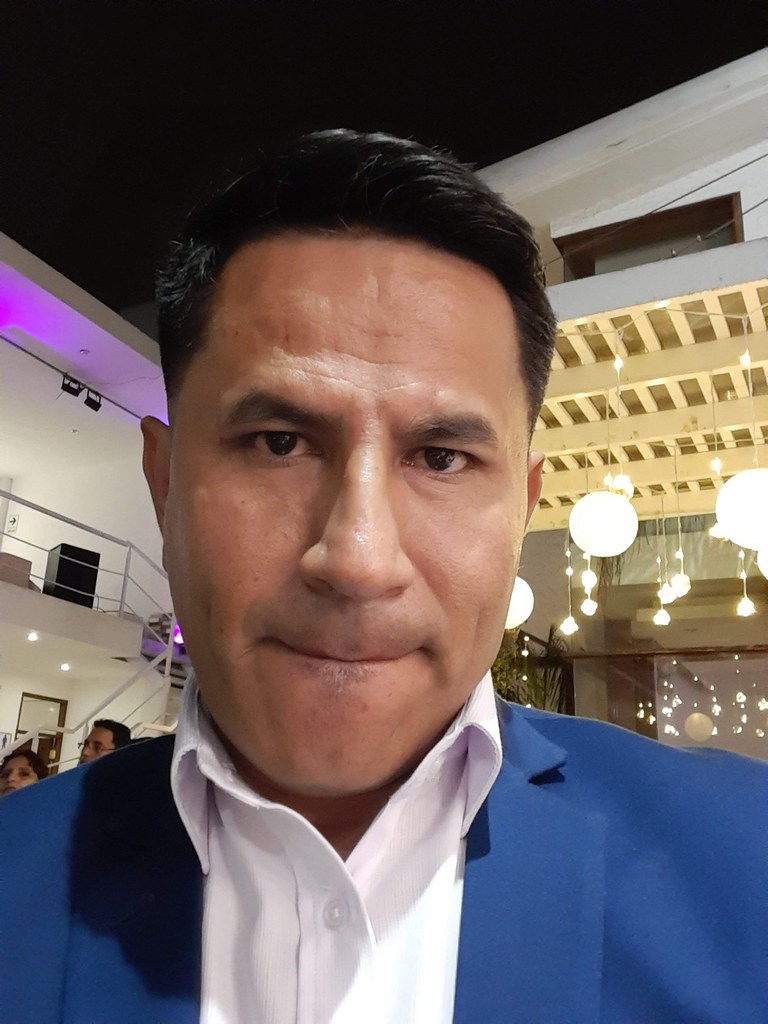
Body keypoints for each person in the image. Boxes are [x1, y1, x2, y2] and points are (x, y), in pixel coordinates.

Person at [0, 129, 765, 1024]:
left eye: (441, 457)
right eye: (279, 443)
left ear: (522, 506)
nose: (359, 558)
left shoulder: (744, 863)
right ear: (163, 484)